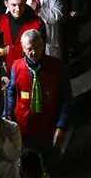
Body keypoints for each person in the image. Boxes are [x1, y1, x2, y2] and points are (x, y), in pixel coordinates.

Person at [6, 30, 72, 163]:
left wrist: (61, 126)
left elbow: (66, 98)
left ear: (42, 45)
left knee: (52, 166)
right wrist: (7, 115)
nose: (34, 53)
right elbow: (12, 93)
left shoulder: (56, 66)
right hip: (24, 129)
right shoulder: (17, 67)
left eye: (37, 48)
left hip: (49, 128)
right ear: (23, 48)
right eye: (29, 49)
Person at [0, 0, 46, 74]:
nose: (18, 9)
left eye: (21, 5)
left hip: (28, 75)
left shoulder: (37, 23)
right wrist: (1, 75)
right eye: (14, 5)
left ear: (26, 1)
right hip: (2, 77)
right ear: (6, 3)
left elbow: (40, 54)